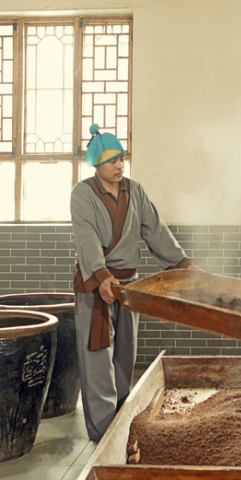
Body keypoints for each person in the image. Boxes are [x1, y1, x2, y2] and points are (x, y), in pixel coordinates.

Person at [71, 124, 197, 442]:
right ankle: (102, 433)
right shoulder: (83, 194)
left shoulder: (134, 190)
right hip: (96, 290)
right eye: (112, 160)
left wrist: (182, 266)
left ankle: (122, 421)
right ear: (96, 164)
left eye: (122, 158)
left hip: (129, 288)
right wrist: (101, 276)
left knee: (125, 354)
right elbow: (86, 241)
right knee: (98, 358)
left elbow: (155, 230)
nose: (119, 165)